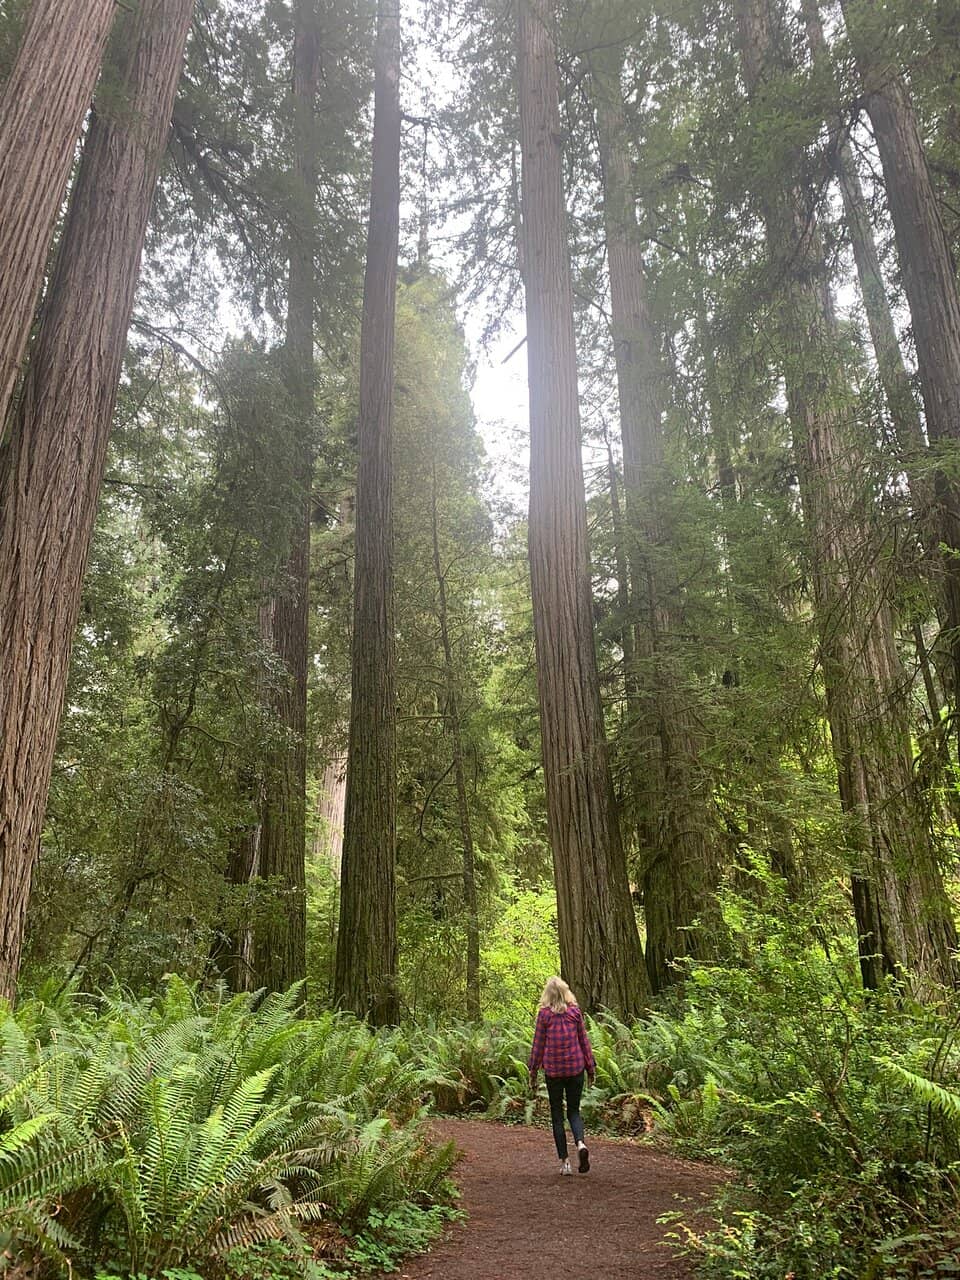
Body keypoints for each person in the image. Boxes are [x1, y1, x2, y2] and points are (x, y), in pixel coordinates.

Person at [527, 975, 596, 1175]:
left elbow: (538, 1045)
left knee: (557, 1115)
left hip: (554, 1072)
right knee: (574, 1111)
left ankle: (565, 1163)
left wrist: (533, 1071)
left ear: (547, 995)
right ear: (566, 992)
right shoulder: (574, 1012)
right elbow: (584, 1042)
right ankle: (581, 1144)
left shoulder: (544, 1015)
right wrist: (590, 1068)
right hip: (576, 1069)